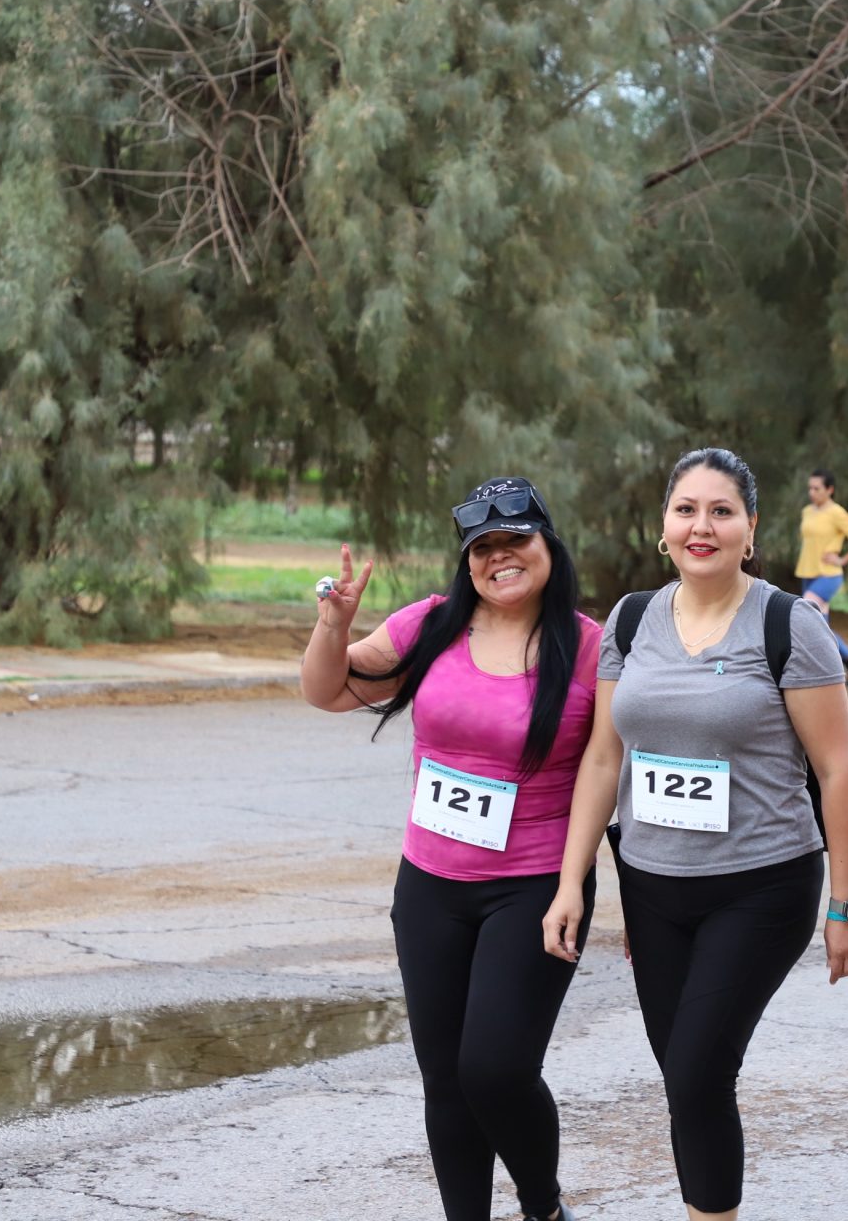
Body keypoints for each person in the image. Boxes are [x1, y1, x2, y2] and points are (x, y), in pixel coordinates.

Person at [540, 447, 848, 1221]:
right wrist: (569, 881)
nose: (702, 526)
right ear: (664, 525)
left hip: (762, 886)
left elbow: (837, 772)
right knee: (686, 1083)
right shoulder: (630, 621)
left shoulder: (789, 625)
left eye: (721, 512)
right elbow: (604, 758)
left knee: (696, 1075)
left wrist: (847, 907)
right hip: (653, 887)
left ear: (750, 528)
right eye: (686, 509)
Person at [300, 476, 599, 1221]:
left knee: (494, 1070)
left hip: (534, 886)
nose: (499, 557)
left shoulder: (592, 648)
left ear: (549, 545)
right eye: (482, 548)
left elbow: (606, 769)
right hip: (430, 885)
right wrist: (334, 626)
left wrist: (574, 885)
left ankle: (543, 1206)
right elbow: (326, 691)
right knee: (445, 1079)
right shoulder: (430, 626)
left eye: (515, 540)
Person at [794, 468, 848, 687]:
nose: (812, 492)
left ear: (830, 490)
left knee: (806, 612)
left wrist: (843, 559)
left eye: (817, 488)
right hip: (807, 574)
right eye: (810, 488)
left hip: (828, 575)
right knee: (819, 630)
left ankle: (843, 665)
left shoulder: (836, 513)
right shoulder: (807, 511)